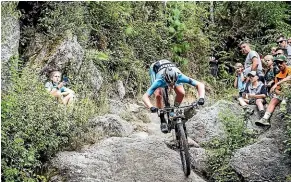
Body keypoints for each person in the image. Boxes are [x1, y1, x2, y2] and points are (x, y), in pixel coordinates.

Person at [142, 59, 205, 133]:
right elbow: (145, 96)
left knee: (181, 93)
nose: (171, 86)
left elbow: (200, 85)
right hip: (155, 68)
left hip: (172, 71)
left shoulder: (180, 76)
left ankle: (175, 108)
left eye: (173, 83)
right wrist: (151, 107)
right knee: (158, 95)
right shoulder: (159, 80)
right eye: (169, 84)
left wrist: (201, 98)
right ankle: (162, 119)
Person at [256, 55, 291, 126]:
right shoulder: (277, 75)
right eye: (277, 63)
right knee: (274, 100)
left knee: (286, 86)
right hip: (283, 94)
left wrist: (276, 84)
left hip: (289, 92)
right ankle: (265, 118)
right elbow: (276, 90)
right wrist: (279, 92)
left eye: (281, 62)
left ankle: (284, 106)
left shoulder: (289, 69)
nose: (279, 64)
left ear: (285, 62)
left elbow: (289, 78)